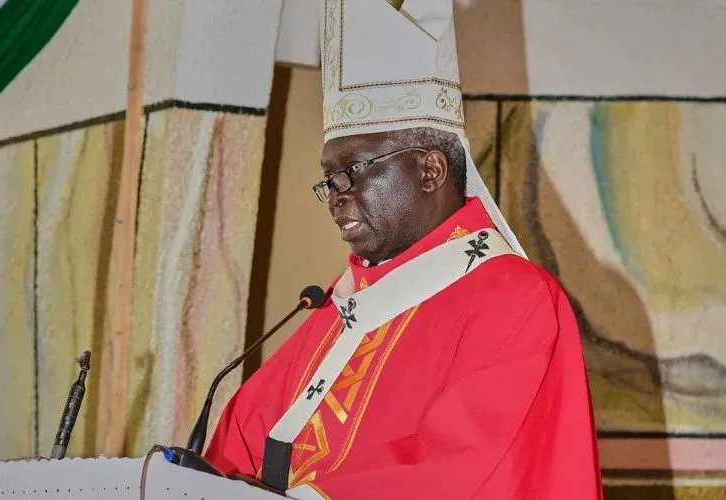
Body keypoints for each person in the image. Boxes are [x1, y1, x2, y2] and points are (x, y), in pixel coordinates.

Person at [205, 1, 602, 498]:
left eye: (353, 170)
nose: (336, 195)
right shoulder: (342, 303)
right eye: (330, 179)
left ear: (430, 171)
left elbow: (465, 470)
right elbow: (242, 434)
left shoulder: (514, 299)